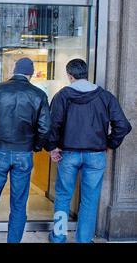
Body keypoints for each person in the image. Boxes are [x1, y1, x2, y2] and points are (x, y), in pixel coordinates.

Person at [46, 59, 132, 243]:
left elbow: (52, 125)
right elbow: (123, 125)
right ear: (86, 73)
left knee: (62, 196)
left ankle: (59, 237)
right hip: (96, 155)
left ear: (70, 75)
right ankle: (84, 240)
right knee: (90, 200)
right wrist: (110, 144)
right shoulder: (105, 96)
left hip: (67, 154)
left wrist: (52, 147)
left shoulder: (62, 96)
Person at [0, 58, 51, 243]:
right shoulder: (39, 94)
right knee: (19, 203)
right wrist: (36, 146)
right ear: (30, 73)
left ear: (14, 70)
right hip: (24, 153)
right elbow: (45, 128)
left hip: (0, 150)